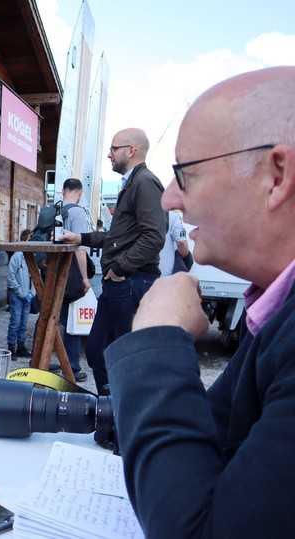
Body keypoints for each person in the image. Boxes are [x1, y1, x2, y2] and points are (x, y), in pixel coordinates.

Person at [104, 66, 295, 538]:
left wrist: (158, 340)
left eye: (185, 174)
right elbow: (222, 435)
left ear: (276, 175)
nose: (170, 200)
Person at [61, 128, 167, 394]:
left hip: (130, 282)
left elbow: (154, 237)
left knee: (124, 359)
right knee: (98, 351)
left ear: (131, 150)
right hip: (121, 284)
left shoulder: (145, 182)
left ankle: (123, 415)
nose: (109, 154)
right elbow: (118, 236)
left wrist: (119, 268)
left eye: (113, 148)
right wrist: (81, 237)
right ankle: (111, 410)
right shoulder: (133, 183)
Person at [58, 178, 91, 382]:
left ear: (63, 191)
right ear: (79, 193)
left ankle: (43, 359)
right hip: (71, 273)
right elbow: (80, 248)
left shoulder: (54, 209)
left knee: (53, 316)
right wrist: (85, 278)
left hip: (53, 271)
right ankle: (72, 366)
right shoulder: (77, 213)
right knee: (73, 319)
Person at [7, 229, 33, 358]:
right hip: (17, 295)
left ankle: (21, 347)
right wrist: (19, 291)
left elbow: (35, 276)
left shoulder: (32, 256)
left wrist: (32, 293)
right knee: (15, 322)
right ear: (25, 240)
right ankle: (11, 347)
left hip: (28, 295)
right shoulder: (17, 256)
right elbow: (10, 276)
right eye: (30, 239)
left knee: (24, 323)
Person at [158, 210, 193, 276]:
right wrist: (187, 259)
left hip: (141, 274)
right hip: (165, 275)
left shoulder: (139, 213)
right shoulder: (173, 216)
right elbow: (182, 242)